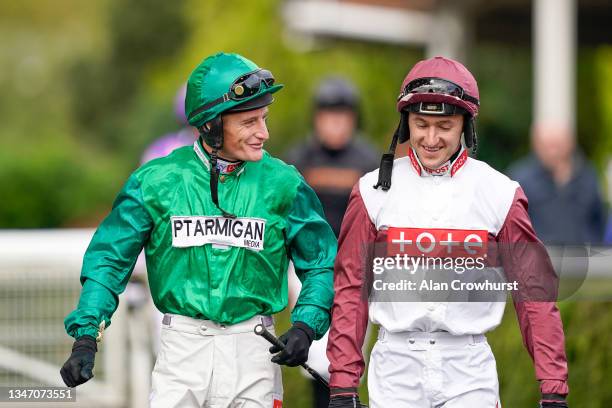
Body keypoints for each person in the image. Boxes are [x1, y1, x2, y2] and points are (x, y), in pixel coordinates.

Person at [60, 52, 337, 408]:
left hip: (255, 351)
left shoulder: (285, 183)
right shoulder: (155, 181)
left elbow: (321, 264)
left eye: (264, 119)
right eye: (249, 122)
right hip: (181, 352)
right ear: (211, 125)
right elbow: (108, 261)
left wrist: (306, 325)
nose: (263, 133)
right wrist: (86, 336)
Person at [326, 56, 569, 408]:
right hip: (395, 368)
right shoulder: (370, 191)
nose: (431, 138)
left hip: (468, 370)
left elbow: (534, 296)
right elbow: (350, 291)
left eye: (445, 126)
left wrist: (553, 387)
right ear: (406, 123)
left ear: (466, 126)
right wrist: (343, 384)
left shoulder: (500, 192)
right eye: (420, 124)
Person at [286, 77, 379, 408]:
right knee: (315, 356)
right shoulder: (300, 158)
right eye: (329, 115)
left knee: (348, 354)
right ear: (317, 118)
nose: (336, 123)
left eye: (343, 115)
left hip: (355, 270)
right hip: (310, 269)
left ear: (354, 119)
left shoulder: (368, 161)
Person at [507, 121, 605, 245]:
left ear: (570, 142)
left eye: (557, 145)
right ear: (535, 144)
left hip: (581, 261)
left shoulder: (588, 176)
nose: (552, 152)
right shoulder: (519, 179)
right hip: (537, 261)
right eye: (546, 145)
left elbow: (598, 222)